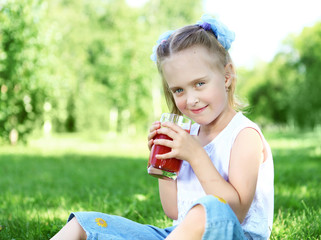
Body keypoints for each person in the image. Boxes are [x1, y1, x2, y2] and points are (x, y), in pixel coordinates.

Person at [51, 14, 274, 240]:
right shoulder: (188, 136)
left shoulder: (243, 135)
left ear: (226, 76)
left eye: (199, 84)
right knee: (85, 224)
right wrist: (164, 165)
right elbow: (174, 211)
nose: (191, 99)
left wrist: (196, 155)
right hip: (177, 235)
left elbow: (233, 212)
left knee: (208, 209)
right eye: (178, 90)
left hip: (232, 235)